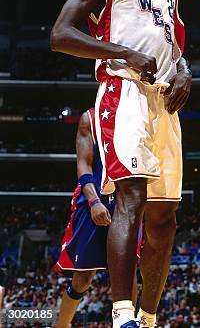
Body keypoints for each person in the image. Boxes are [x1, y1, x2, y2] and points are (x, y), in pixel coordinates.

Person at [50, 0, 192, 328]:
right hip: (123, 92)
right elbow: (60, 35)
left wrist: (185, 71)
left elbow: (175, 46)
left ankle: (148, 317)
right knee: (131, 198)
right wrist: (124, 53)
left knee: (165, 217)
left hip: (166, 101)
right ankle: (122, 314)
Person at [56, 108, 135, 327]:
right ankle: (61, 325)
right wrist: (93, 201)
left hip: (126, 198)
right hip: (95, 197)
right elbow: (83, 163)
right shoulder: (89, 117)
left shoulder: (136, 113)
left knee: (128, 268)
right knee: (82, 278)